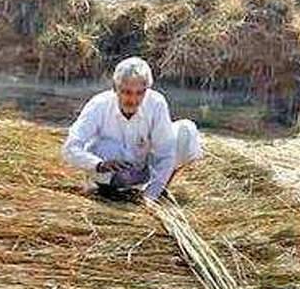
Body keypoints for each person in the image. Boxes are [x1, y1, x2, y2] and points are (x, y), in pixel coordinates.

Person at [61, 57, 203, 201]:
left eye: (139, 93)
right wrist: (99, 164)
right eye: (127, 92)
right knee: (108, 147)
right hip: (109, 172)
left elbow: (165, 153)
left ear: (147, 90)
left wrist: (150, 197)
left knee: (186, 131)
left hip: (142, 168)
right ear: (115, 88)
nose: (133, 100)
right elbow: (70, 148)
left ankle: (160, 187)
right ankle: (110, 191)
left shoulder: (156, 103)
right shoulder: (99, 105)